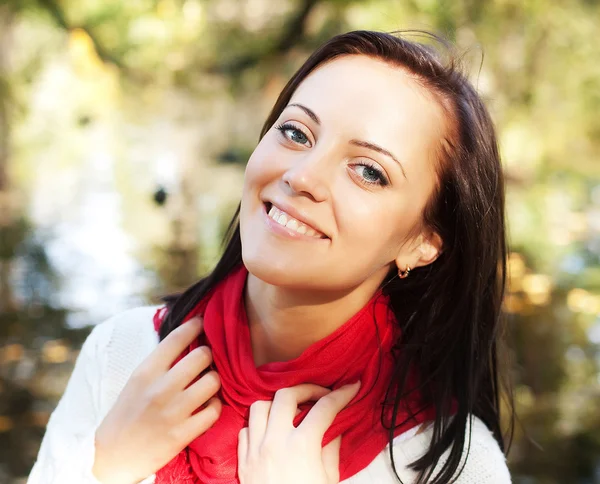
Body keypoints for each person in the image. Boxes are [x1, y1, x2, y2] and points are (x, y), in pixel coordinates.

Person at [28, 30, 513, 484]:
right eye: (298, 133)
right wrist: (105, 463)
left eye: (368, 170)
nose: (302, 175)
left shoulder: (455, 463)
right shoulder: (125, 355)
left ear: (422, 241)